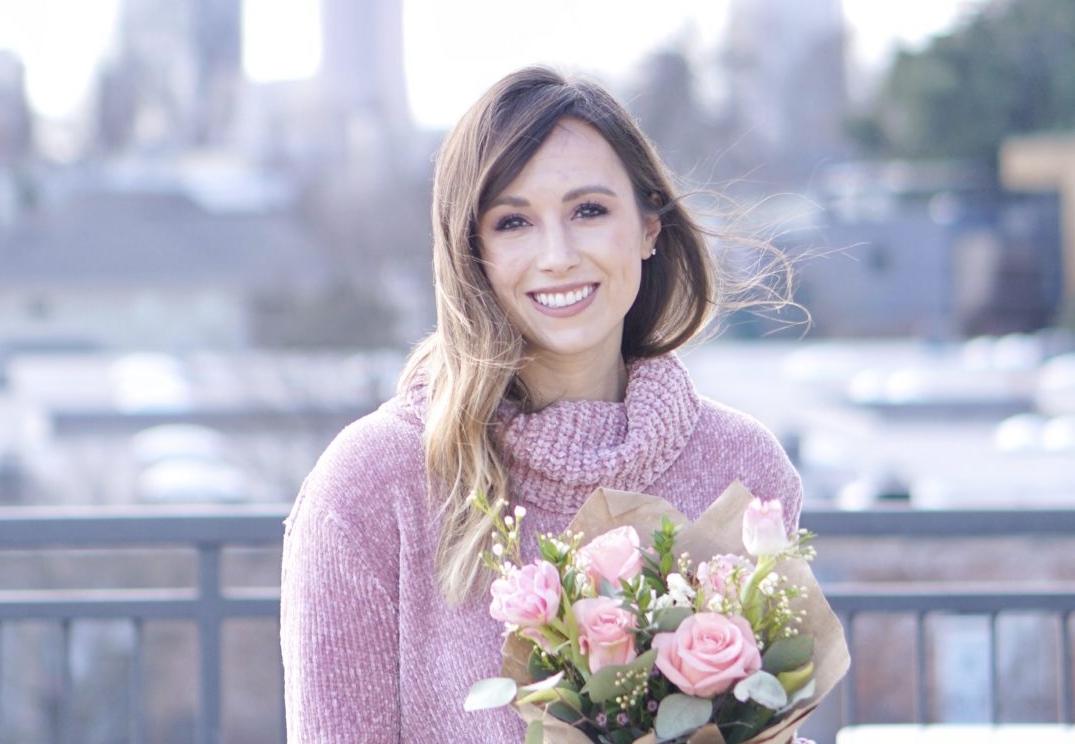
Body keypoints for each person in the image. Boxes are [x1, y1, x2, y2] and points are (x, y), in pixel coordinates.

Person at [280, 66, 806, 742]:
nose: (556, 255)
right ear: (472, 254)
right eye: (514, 222)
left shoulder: (743, 468)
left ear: (649, 227)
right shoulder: (371, 484)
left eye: (589, 211)